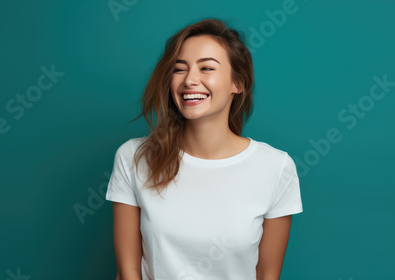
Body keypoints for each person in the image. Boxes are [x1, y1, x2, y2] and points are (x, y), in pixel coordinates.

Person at [106, 18, 303, 280]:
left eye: (206, 68)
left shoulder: (276, 167)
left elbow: (267, 274)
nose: (190, 80)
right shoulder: (133, 157)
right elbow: (127, 273)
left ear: (238, 83)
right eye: (179, 69)